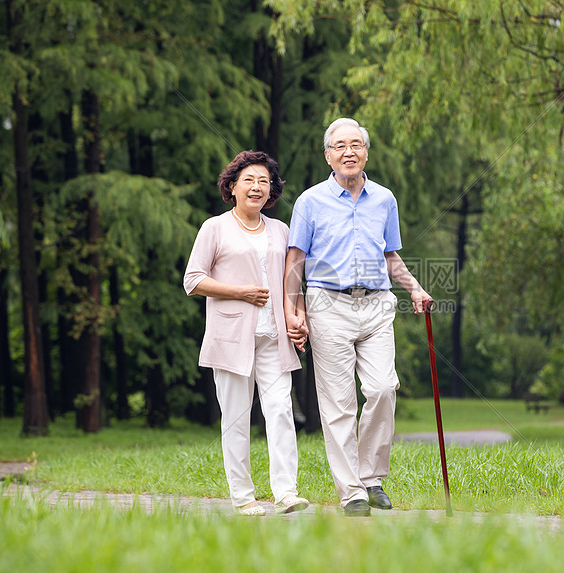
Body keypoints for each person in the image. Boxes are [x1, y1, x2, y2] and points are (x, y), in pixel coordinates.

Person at [284, 118, 432, 517]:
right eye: (340, 146)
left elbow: (390, 256)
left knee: (383, 388)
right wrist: (291, 309)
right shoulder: (310, 201)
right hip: (327, 304)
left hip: (376, 304)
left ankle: (373, 478)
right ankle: (352, 491)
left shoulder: (384, 199)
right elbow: (295, 259)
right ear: (328, 154)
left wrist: (415, 288)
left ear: (366, 151)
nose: (348, 152)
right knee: (339, 403)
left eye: (356, 145)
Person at [184, 150, 309, 516]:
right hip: (231, 340)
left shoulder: (280, 230)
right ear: (232, 186)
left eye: (264, 182)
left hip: (274, 338)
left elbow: (291, 283)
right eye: (249, 181)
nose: (257, 188)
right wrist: (240, 292)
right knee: (236, 417)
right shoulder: (214, 228)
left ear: (271, 192)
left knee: (281, 411)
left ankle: (286, 492)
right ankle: (243, 497)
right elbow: (192, 280)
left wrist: (297, 318)